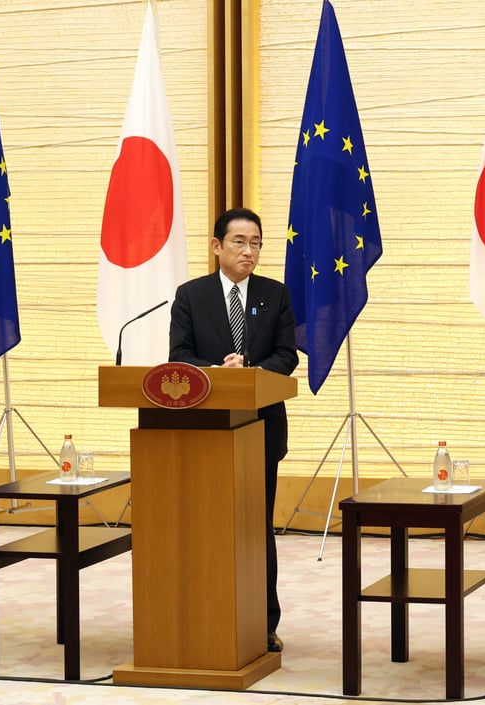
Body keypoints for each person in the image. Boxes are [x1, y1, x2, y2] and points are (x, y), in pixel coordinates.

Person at [169, 207, 298, 652]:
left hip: (260, 427)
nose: (249, 251)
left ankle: (263, 621)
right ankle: (204, 612)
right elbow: (180, 354)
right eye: (240, 242)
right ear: (217, 246)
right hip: (203, 431)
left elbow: (287, 356)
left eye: (256, 242)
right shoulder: (190, 295)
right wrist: (216, 371)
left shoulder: (275, 294)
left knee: (255, 525)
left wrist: (252, 370)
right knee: (205, 526)